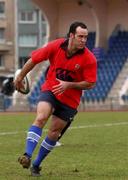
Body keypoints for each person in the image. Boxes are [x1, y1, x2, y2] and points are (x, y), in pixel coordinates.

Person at [14, 21, 97, 177]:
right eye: (80, 36)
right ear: (71, 35)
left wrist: (69, 85)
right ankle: (27, 155)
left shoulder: (89, 58)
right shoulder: (56, 46)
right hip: (50, 90)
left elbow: (91, 83)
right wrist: (20, 76)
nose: (84, 40)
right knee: (41, 117)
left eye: (86, 37)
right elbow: (34, 59)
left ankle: (36, 165)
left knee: (53, 133)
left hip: (70, 100)